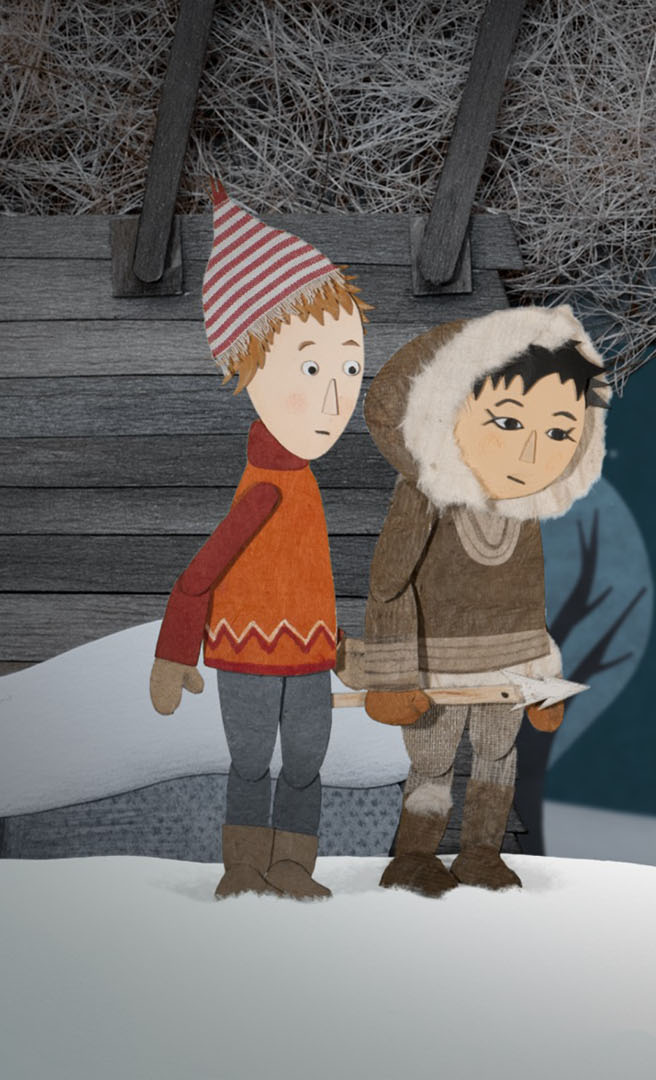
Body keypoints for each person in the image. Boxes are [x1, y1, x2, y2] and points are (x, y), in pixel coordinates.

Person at [149, 180, 371, 901]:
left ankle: (291, 866)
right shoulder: (267, 488)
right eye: (312, 367)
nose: (336, 395)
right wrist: (176, 650)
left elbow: (305, 578)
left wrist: (338, 646)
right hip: (248, 652)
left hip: (307, 659)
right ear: (250, 368)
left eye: (349, 367)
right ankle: (244, 866)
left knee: (305, 761)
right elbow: (203, 571)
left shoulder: (304, 485)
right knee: (251, 761)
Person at [347, 306, 609, 896]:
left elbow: (528, 603)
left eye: (559, 433)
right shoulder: (426, 495)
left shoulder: (526, 512)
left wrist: (544, 678)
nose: (531, 454)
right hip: (435, 666)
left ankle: (481, 852)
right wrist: (392, 677)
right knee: (433, 761)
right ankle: (415, 855)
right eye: (509, 423)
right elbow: (389, 585)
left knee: (499, 756)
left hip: (509, 669)